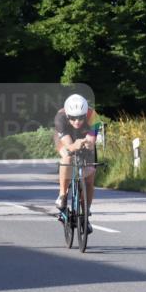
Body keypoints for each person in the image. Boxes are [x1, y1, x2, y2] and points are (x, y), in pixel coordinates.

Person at [54, 94, 98, 233]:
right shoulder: (60, 118)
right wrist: (74, 146)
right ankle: (62, 194)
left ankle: (85, 213)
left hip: (84, 138)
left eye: (81, 117)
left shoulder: (93, 116)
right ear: (67, 115)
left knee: (90, 177)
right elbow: (68, 147)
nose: (77, 121)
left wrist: (88, 143)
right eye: (73, 118)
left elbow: (91, 141)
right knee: (67, 157)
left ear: (86, 113)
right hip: (65, 138)